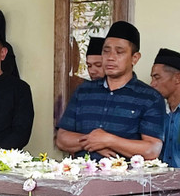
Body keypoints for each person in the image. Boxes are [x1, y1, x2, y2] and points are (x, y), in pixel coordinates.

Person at [56, 21, 165, 160]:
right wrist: (94, 142)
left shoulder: (150, 97)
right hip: (81, 177)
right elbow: (62, 138)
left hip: (127, 180)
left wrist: (109, 141)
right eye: (106, 51)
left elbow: (152, 149)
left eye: (119, 52)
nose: (111, 57)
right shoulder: (84, 91)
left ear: (135, 58)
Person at [150, 48, 180, 167]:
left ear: (178, 78)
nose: (152, 84)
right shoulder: (156, 113)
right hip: (161, 184)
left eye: (157, 77)